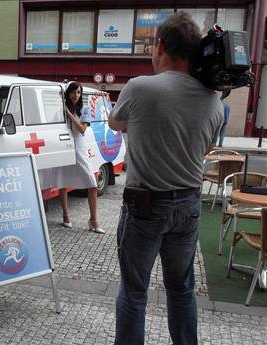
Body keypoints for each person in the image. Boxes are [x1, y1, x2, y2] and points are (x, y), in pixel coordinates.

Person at [108, 12, 223, 345]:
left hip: (144, 206)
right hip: (188, 205)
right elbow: (208, 145)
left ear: (160, 45)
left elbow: (116, 123)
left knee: (134, 290)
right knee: (182, 288)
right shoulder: (213, 99)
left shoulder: (140, 88)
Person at [53, 81, 105, 234]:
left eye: (79, 92)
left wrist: (69, 114)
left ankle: (94, 220)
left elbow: (82, 129)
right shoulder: (59, 109)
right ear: (68, 93)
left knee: (92, 184)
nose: (76, 95)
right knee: (62, 181)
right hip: (63, 147)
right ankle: (65, 215)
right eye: (73, 92)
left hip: (79, 149)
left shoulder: (85, 109)